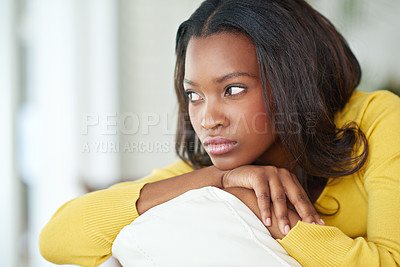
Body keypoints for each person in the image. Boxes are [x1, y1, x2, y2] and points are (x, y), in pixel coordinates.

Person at [39, 0, 400, 266]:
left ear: (292, 79)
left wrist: (260, 209)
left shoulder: (377, 119)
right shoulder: (221, 167)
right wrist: (219, 180)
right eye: (193, 95)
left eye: (233, 89)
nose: (208, 119)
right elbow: (56, 238)